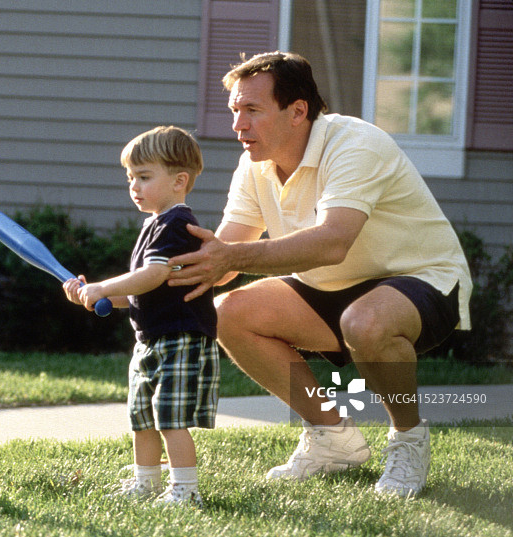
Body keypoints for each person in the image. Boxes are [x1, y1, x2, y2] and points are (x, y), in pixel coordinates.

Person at [166, 52, 471, 498]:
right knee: (229, 312)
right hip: (327, 288)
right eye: (235, 111)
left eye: (251, 110)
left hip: (423, 280)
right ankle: (333, 438)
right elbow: (222, 253)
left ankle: (408, 438)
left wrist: (226, 258)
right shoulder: (254, 165)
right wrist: (135, 286)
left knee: (365, 323)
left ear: (298, 111)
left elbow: (332, 242)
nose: (238, 125)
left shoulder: (355, 144)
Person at [63, 126, 220, 507]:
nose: (134, 185)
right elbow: (143, 291)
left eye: (144, 177)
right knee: (142, 418)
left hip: (180, 337)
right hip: (150, 339)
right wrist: (97, 297)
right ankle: (145, 483)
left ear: (179, 180)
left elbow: (155, 275)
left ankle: (185, 489)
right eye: (130, 177)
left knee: (168, 418)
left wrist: (103, 286)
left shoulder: (175, 224)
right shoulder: (152, 225)